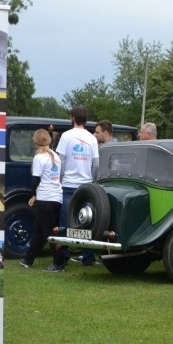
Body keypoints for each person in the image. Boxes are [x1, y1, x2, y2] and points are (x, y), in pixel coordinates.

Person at [56, 105, 100, 267]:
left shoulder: (66, 136)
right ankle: (88, 257)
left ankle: (63, 256)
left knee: (65, 222)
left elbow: (60, 161)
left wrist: (60, 179)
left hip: (68, 184)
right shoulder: (92, 138)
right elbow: (96, 164)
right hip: (86, 186)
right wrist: (92, 180)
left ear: (73, 118)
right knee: (87, 222)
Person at [20, 129, 66, 272]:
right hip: (56, 197)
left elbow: (35, 181)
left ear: (35, 141)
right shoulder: (55, 156)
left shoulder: (39, 158)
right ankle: (28, 259)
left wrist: (34, 195)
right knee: (39, 230)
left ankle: (59, 263)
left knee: (48, 233)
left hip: (45, 198)